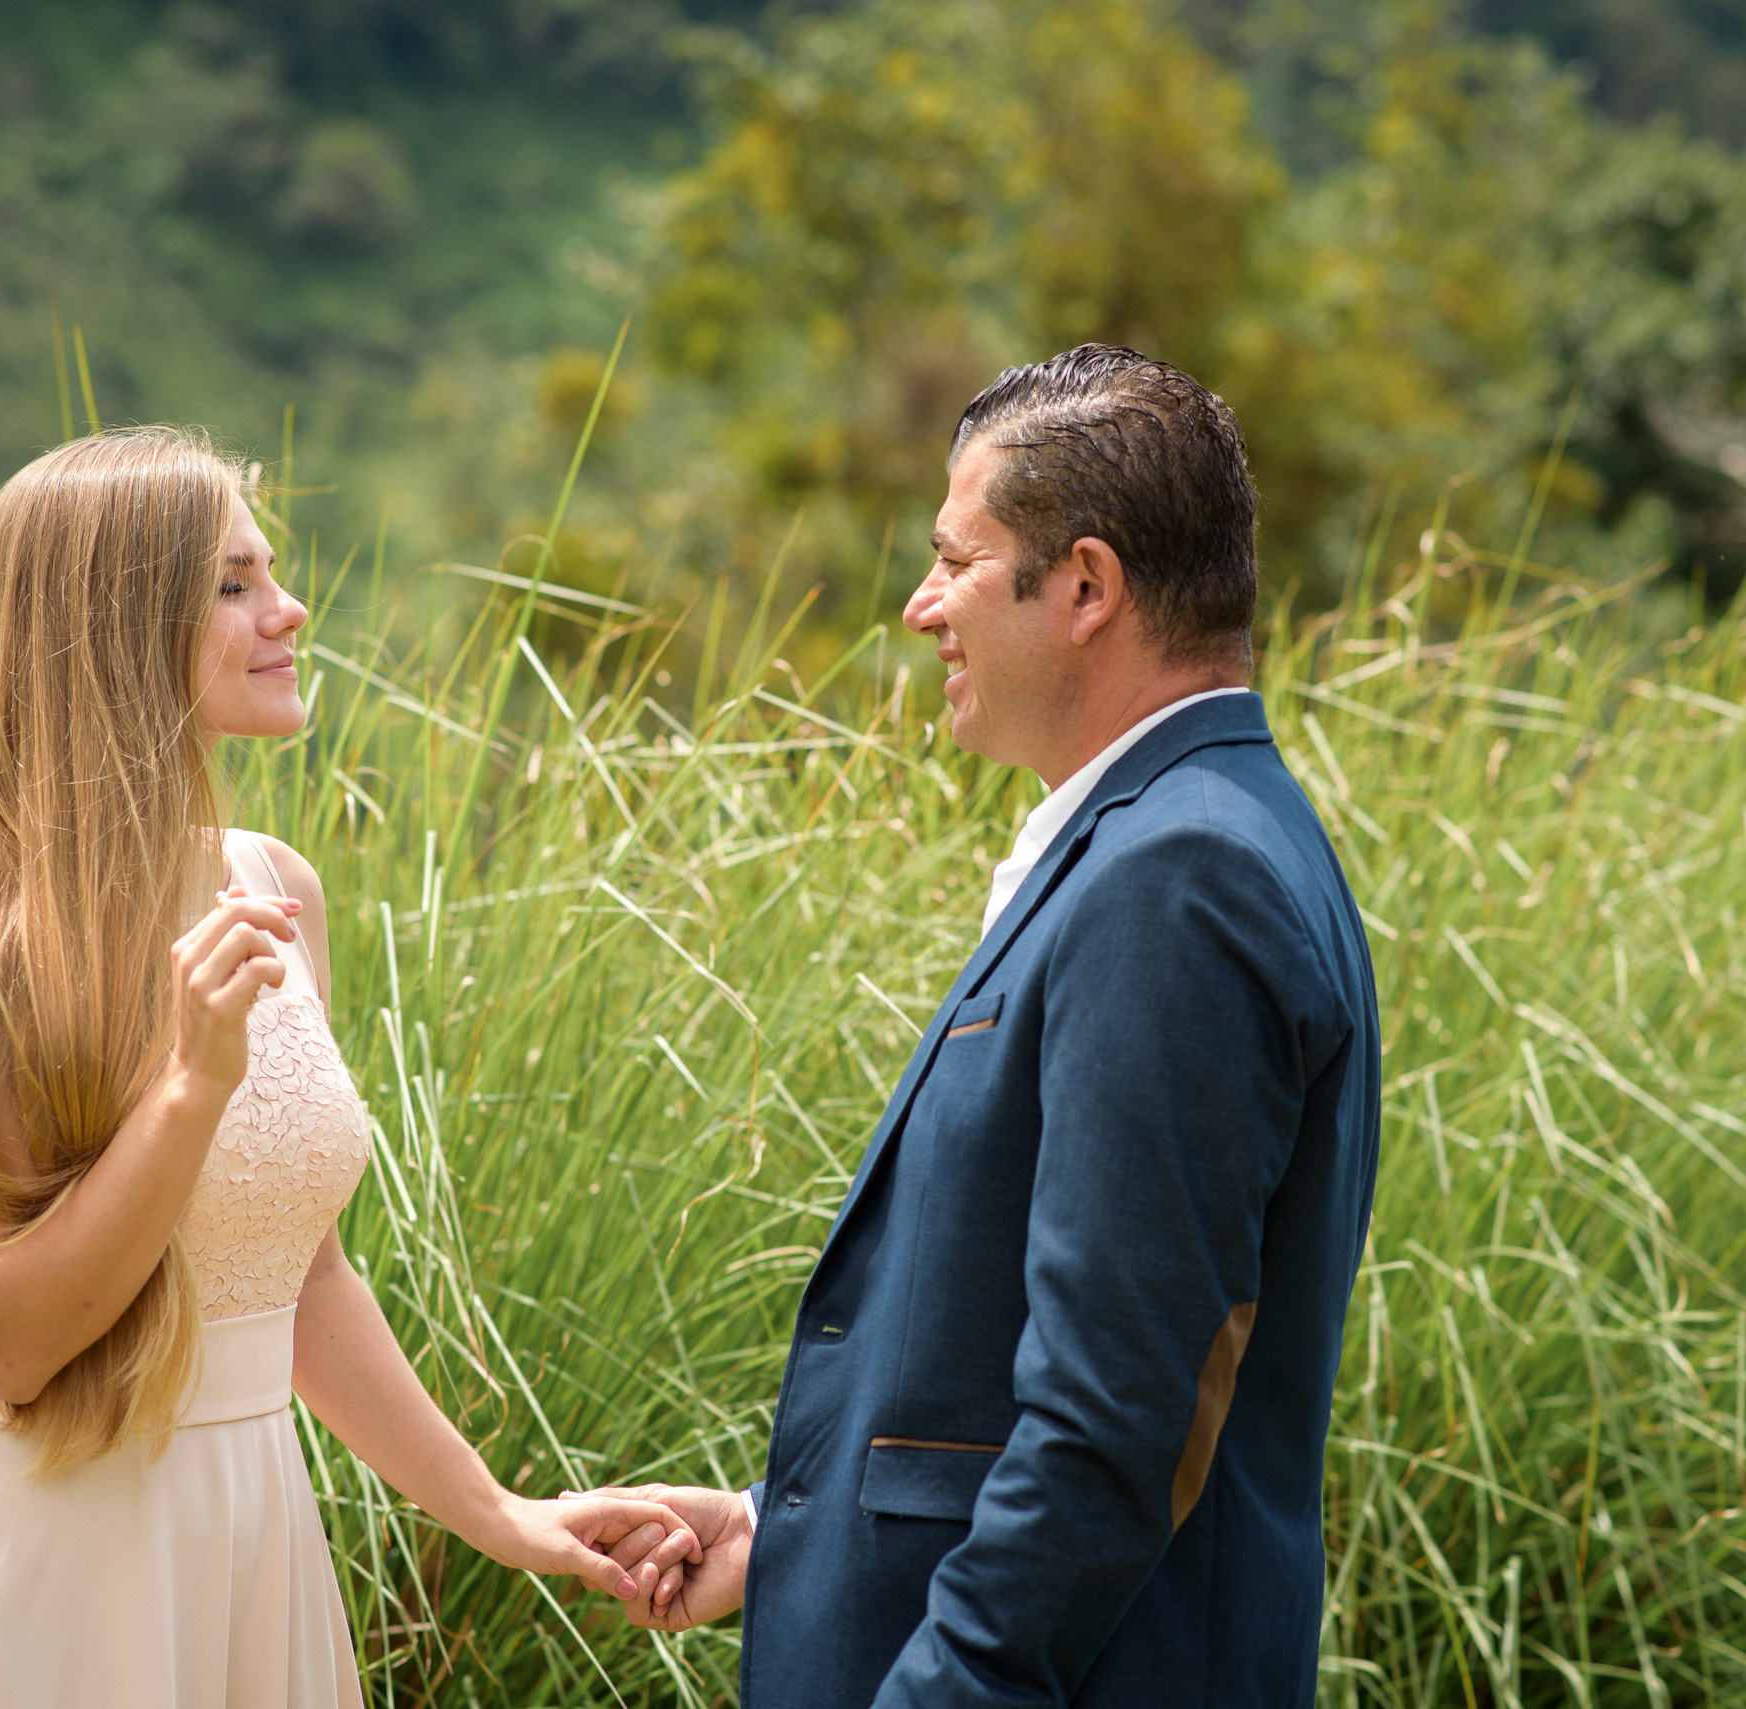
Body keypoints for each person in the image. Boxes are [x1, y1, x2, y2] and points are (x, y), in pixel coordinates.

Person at [0, 428, 696, 1709]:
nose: (288, 611)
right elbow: (8, 1347)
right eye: (232, 584)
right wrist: (189, 1085)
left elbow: (299, 1275)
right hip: (43, 1574)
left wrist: (503, 1514)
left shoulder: (276, 884)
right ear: (116, 626)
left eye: (270, 573)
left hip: (256, 1539)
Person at [579, 346, 1385, 1706]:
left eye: (955, 560)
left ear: (1085, 586)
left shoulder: (1178, 878)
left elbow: (1115, 1418)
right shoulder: (1196, 836)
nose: (919, 607)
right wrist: (791, 1538)